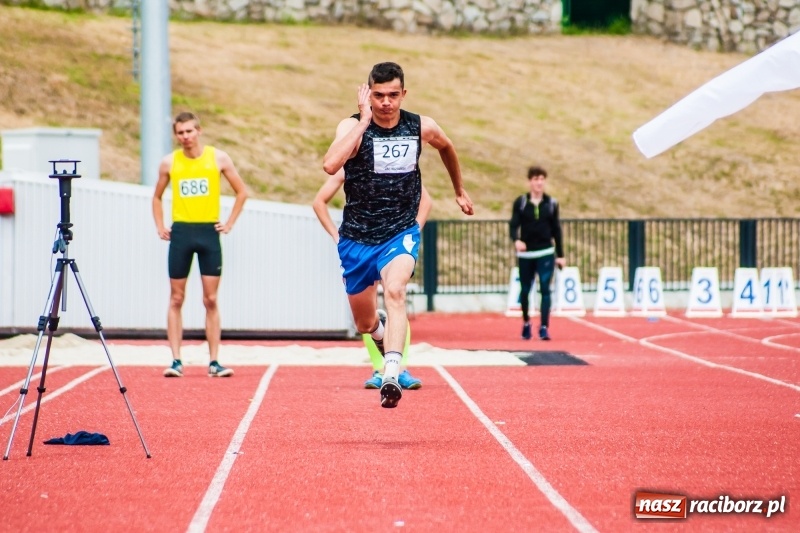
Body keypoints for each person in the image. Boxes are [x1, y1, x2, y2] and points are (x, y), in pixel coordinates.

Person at [322, 61, 474, 408]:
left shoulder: (420, 126)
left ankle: (391, 370)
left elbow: (447, 147)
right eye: (378, 96)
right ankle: (381, 336)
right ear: (368, 94)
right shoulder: (351, 125)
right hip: (357, 237)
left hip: (399, 230)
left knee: (395, 290)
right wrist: (362, 122)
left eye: (393, 95)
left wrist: (459, 190)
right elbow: (330, 165)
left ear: (403, 94)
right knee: (364, 322)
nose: (386, 102)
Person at [312, 169, 431, 389]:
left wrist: (412, 233)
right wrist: (336, 237)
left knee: (395, 294)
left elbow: (426, 201)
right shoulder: (349, 165)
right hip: (359, 244)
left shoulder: (396, 161)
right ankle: (380, 363)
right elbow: (319, 201)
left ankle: (396, 369)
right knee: (365, 322)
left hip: (394, 241)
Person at [152, 111, 248, 378]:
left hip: (208, 232)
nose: (185, 137)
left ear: (199, 131)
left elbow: (242, 191)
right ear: (176, 135)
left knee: (211, 299)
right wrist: (160, 225)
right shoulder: (169, 163)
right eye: (180, 133)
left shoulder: (217, 158)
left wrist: (228, 223)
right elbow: (157, 197)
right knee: (176, 297)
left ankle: (214, 361)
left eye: (189, 131)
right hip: (181, 232)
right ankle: (176, 360)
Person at [509, 166, 565, 341]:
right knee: (525, 290)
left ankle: (544, 327)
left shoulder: (551, 203)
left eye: (542, 179)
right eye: (535, 179)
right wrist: (516, 240)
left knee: (545, 289)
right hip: (526, 254)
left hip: (546, 252)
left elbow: (557, 229)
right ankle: (526, 323)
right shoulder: (521, 202)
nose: (539, 182)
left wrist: (561, 254)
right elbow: (513, 225)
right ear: (530, 181)